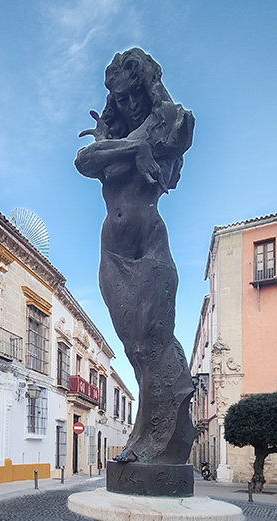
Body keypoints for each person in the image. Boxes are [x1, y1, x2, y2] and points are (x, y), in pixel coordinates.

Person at [75, 48, 196, 465]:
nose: (126, 104)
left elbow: (178, 128)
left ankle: (153, 437)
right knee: (132, 350)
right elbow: (84, 161)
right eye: (119, 97)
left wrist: (135, 148)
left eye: (133, 94)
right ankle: (145, 435)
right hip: (112, 253)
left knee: (151, 346)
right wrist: (132, 151)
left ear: (146, 87)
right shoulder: (114, 139)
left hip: (149, 250)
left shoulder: (166, 123)